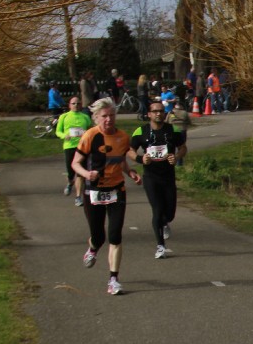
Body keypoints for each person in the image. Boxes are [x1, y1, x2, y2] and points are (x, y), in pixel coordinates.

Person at [72, 98, 142, 295]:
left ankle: (113, 280)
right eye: (104, 116)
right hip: (93, 191)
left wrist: (131, 173)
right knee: (98, 236)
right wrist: (86, 174)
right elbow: (75, 163)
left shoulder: (123, 137)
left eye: (112, 115)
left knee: (115, 235)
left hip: (116, 191)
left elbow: (121, 161)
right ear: (96, 118)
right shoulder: (90, 136)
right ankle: (93, 248)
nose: (109, 119)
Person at [130, 101, 187, 259]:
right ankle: (160, 246)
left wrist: (176, 157)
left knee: (170, 213)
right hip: (151, 177)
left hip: (168, 176)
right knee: (157, 209)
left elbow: (183, 147)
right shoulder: (141, 131)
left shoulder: (173, 130)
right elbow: (130, 150)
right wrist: (141, 159)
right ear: (149, 114)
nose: (158, 114)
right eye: (155, 111)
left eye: (161, 111)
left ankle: (165, 222)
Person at [56, 96, 93, 203]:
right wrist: (64, 136)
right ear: (69, 105)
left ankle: (78, 197)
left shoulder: (85, 117)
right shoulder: (64, 116)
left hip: (82, 147)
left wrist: (87, 133)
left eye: (78, 103)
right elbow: (58, 132)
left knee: (80, 172)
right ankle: (70, 182)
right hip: (69, 146)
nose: (76, 105)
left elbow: (90, 130)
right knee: (70, 172)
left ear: (81, 105)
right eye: (73, 103)